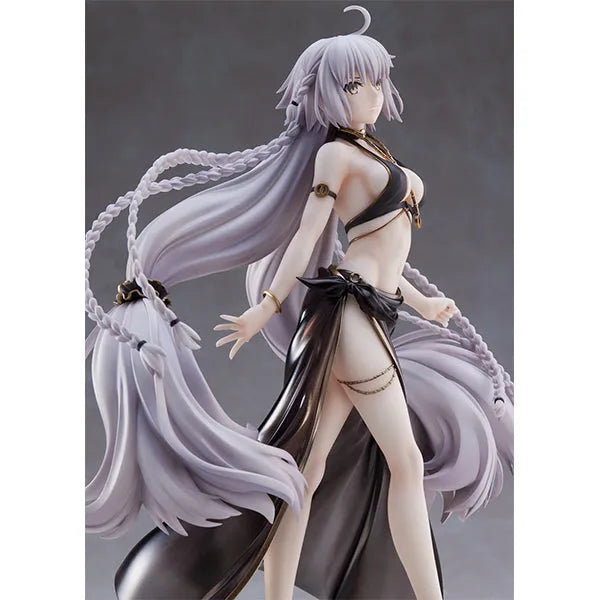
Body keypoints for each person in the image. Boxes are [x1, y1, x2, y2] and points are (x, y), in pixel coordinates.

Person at [85, 5, 514, 599]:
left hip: (372, 313)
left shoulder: (376, 154)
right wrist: (267, 305)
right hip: (346, 316)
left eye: (376, 81)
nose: (372, 94)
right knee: (406, 464)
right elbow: (309, 238)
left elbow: (383, 251)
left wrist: (422, 302)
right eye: (355, 84)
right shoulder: (335, 156)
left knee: (303, 475)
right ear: (329, 94)